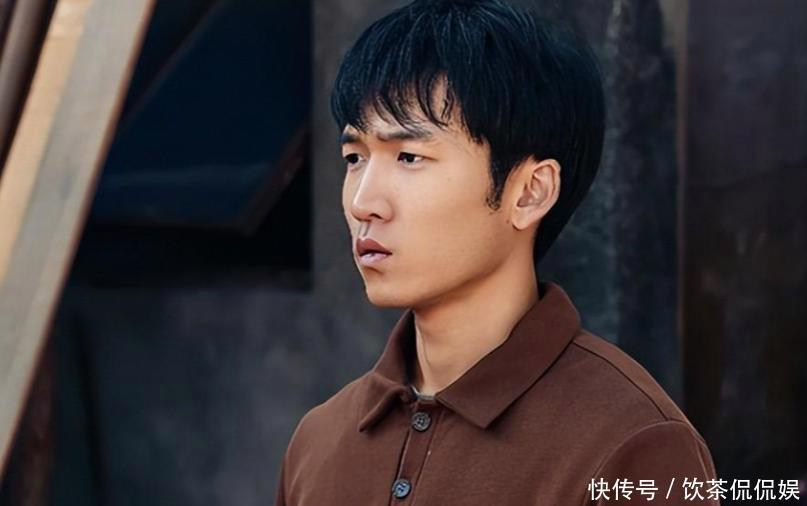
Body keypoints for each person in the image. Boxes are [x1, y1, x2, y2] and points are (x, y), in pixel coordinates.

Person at [275, 0, 719, 504]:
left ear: (530, 192)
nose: (362, 203)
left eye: (409, 157)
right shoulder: (319, 440)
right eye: (355, 158)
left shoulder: (631, 444)